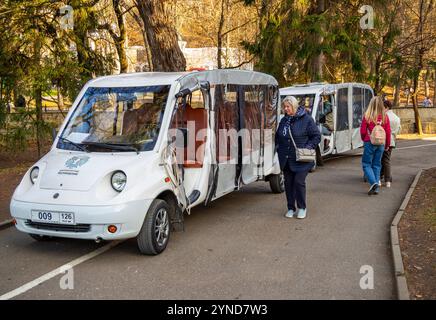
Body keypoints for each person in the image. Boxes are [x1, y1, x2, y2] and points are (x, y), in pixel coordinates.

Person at [275, 96, 321, 219]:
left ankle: (302, 207)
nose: (285, 109)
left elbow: (316, 136)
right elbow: (278, 136)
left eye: (288, 107)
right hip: (286, 158)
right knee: (288, 184)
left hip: (302, 159)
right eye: (284, 107)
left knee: (299, 182)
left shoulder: (307, 119)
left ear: (294, 106)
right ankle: (290, 208)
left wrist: (308, 147)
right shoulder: (284, 120)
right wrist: (278, 147)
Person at [360, 96, 391, 195]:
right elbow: (388, 132)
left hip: (369, 142)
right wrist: (387, 144)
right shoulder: (385, 116)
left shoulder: (367, 116)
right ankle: (376, 188)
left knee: (366, 164)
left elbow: (363, 131)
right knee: (377, 165)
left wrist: (364, 139)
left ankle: (374, 183)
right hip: (381, 143)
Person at [381, 100, 401, 188]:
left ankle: (387, 179)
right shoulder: (397, 117)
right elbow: (399, 130)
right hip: (392, 140)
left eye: (382, 107)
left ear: (386, 107)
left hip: (384, 140)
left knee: (384, 160)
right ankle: (386, 177)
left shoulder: (384, 117)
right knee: (385, 159)